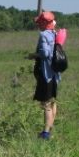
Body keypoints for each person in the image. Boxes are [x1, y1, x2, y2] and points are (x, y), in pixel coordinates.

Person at [27, 11, 61, 140]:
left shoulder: (43, 35)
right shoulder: (55, 34)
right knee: (53, 102)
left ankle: (45, 134)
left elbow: (45, 54)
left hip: (46, 73)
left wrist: (33, 55)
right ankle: (49, 128)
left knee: (45, 104)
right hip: (54, 73)